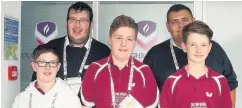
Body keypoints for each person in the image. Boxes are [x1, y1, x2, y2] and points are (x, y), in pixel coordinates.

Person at [143, 4, 238, 106]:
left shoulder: (215, 49)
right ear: (168, 27)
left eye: (185, 19)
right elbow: (145, 92)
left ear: (193, 20)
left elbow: (230, 84)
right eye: (174, 22)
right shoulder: (155, 54)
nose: (181, 25)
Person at [31, 2, 110, 94]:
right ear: (66, 23)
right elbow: (35, 84)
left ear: (91, 24)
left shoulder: (103, 52)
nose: (77, 25)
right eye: (73, 19)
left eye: (83, 20)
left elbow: (109, 90)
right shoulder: (51, 48)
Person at [81, 15, 159, 108]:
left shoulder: (145, 72)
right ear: (109, 39)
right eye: (119, 38)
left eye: (129, 39)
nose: (123, 44)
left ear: (134, 43)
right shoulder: (94, 69)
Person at [160, 21, 232, 108]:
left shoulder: (220, 81)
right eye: (193, 45)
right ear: (184, 47)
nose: (199, 50)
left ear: (209, 48)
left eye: (204, 45)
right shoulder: (171, 82)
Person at [12, 44, 82, 108]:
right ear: (34, 66)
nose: (47, 67)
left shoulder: (70, 98)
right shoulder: (21, 99)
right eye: (42, 62)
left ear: (58, 67)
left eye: (52, 63)